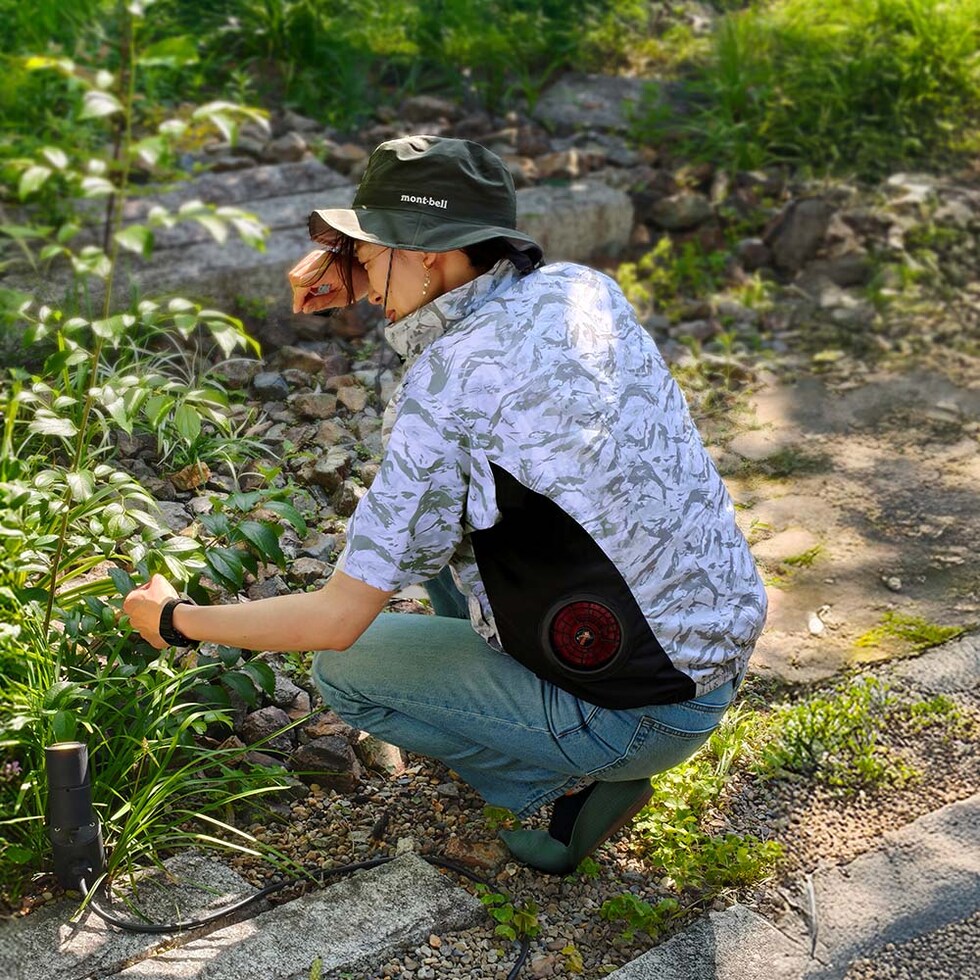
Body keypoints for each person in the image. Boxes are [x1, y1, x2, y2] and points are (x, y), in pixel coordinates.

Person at [124, 135, 767, 874]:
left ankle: (563, 787)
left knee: (346, 670)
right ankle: (550, 724)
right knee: (435, 524)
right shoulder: (582, 289)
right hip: (708, 652)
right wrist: (365, 265)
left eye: (365, 253)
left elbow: (335, 620)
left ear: (425, 253)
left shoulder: (447, 386)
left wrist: (175, 620)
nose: (360, 278)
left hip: (640, 708)